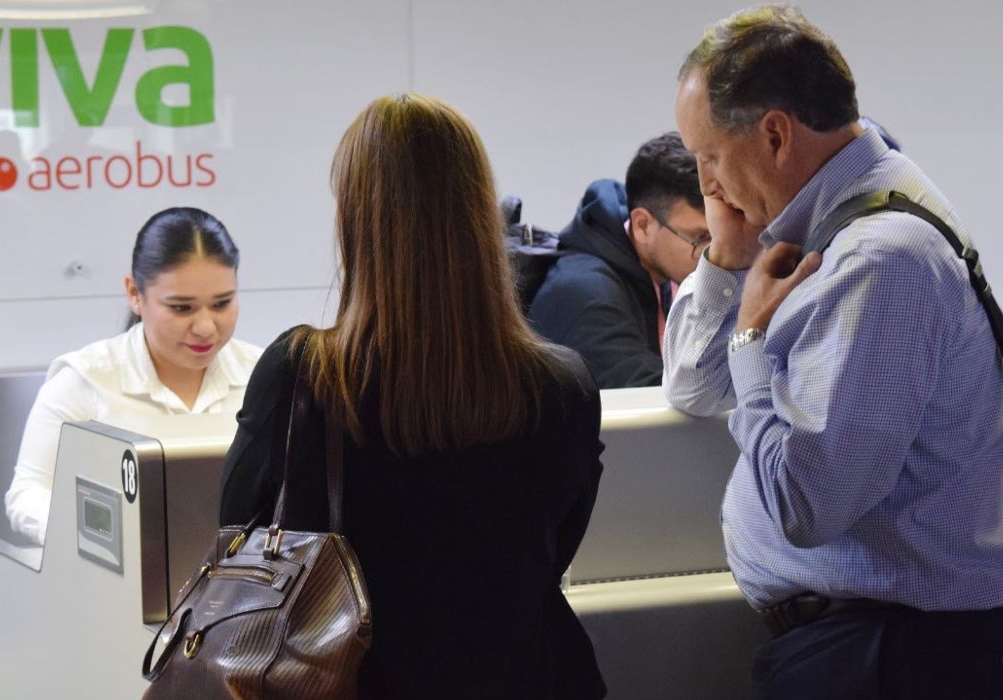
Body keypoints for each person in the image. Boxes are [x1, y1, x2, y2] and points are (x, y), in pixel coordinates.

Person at [664, 5, 1003, 697]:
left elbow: (809, 505)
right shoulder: (832, 219)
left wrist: (752, 344)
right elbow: (695, 389)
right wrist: (727, 259)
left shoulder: (878, 260)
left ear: (776, 134)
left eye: (708, 158)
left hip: (895, 655)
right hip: (875, 641)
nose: (707, 186)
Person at [220, 94, 606, 699]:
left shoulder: (302, 376)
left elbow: (240, 537)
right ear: (479, 213)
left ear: (355, 218)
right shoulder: (563, 387)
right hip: (526, 676)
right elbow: (553, 548)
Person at [5, 207, 262, 545]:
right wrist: (105, 537)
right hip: (119, 586)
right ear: (134, 294)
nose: (205, 327)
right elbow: (28, 493)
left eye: (221, 304)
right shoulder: (85, 380)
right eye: (181, 308)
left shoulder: (261, 375)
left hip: (244, 586)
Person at [527, 132, 709, 388]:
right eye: (700, 237)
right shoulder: (587, 294)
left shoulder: (658, 270)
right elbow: (652, 398)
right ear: (643, 225)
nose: (712, 253)